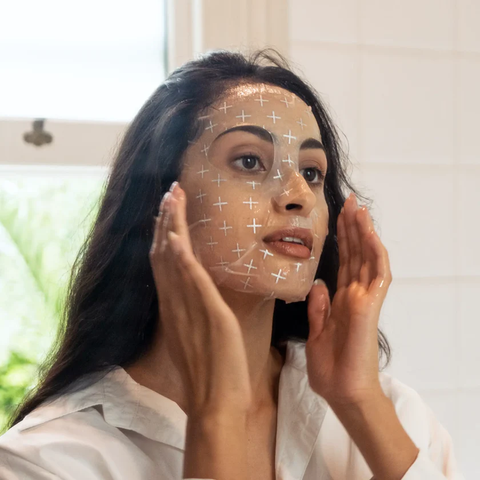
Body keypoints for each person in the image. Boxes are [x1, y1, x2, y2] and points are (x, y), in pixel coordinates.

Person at [0, 49, 464, 480]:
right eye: (249, 161)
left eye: (311, 172)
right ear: (158, 201)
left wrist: (360, 403)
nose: (298, 195)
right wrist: (215, 416)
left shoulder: (392, 413)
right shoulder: (49, 459)